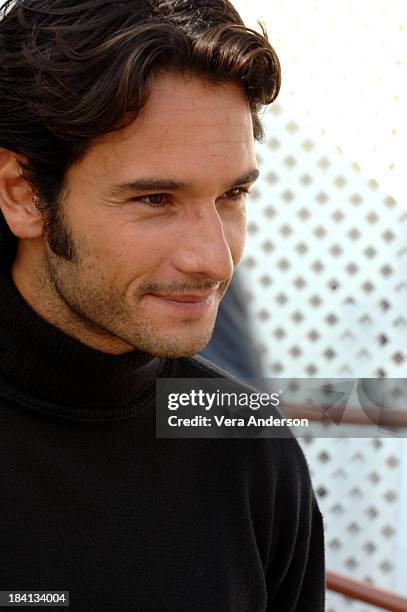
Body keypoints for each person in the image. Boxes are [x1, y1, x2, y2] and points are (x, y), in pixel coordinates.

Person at [0, 1, 325, 610]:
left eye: (233, 195)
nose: (214, 259)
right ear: (22, 194)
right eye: (155, 199)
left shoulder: (250, 451)